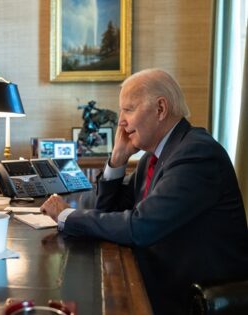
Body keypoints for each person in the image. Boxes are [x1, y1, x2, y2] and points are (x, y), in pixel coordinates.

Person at [40, 69, 248, 315]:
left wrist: (67, 216)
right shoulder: (153, 157)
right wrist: (117, 159)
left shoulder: (197, 155)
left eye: (128, 109)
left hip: (189, 295)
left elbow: (139, 227)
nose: (121, 121)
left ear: (160, 109)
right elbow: (105, 208)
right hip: (160, 276)